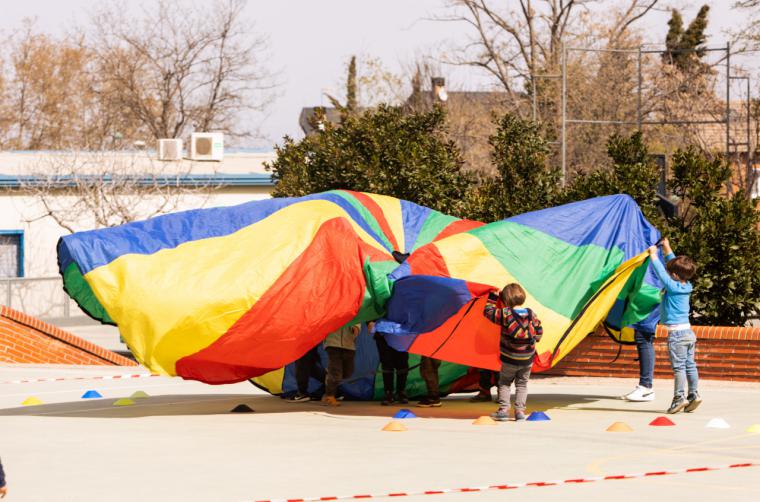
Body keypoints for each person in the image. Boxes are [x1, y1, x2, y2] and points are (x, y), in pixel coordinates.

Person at [648, 238, 701, 414]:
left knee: (679, 368)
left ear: (675, 276)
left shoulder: (671, 286)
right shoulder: (686, 284)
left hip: (677, 335)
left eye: (672, 274)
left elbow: (662, 273)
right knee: (690, 365)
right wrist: (667, 248)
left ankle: (679, 398)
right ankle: (694, 395)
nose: (670, 275)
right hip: (688, 332)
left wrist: (653, 256)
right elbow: (675, 267)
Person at [484, 283, 543, 421]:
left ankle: (504, 410)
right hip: (527, 358)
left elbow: (488, 312)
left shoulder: (505, 314)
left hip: (509, 358)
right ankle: (520, 412)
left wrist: (493, 297)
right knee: (522, 384)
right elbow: (539, 331)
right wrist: (535, 339)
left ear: (505, 300)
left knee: (504, 383)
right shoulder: (531, 313)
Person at [371, 322, 410, 405]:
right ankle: (388, 393)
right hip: (383, 334)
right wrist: (369, 322)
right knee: (387, 364)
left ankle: (401, 391)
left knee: (402, 364)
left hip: (401, 333)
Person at [322, 323, 360, 407]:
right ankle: (329, 396)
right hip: (333, 343)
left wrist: (356, 327)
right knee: (336, 373)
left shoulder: (352, 311)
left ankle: (330, 374)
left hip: (349, 345)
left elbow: (358, 319)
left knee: (347, 373)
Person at [622, 325, 657, 402]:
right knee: (642, 337)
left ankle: (646, 388)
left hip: (645, 315)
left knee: (643, 337)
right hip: (643, 314)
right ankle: (646, 387)